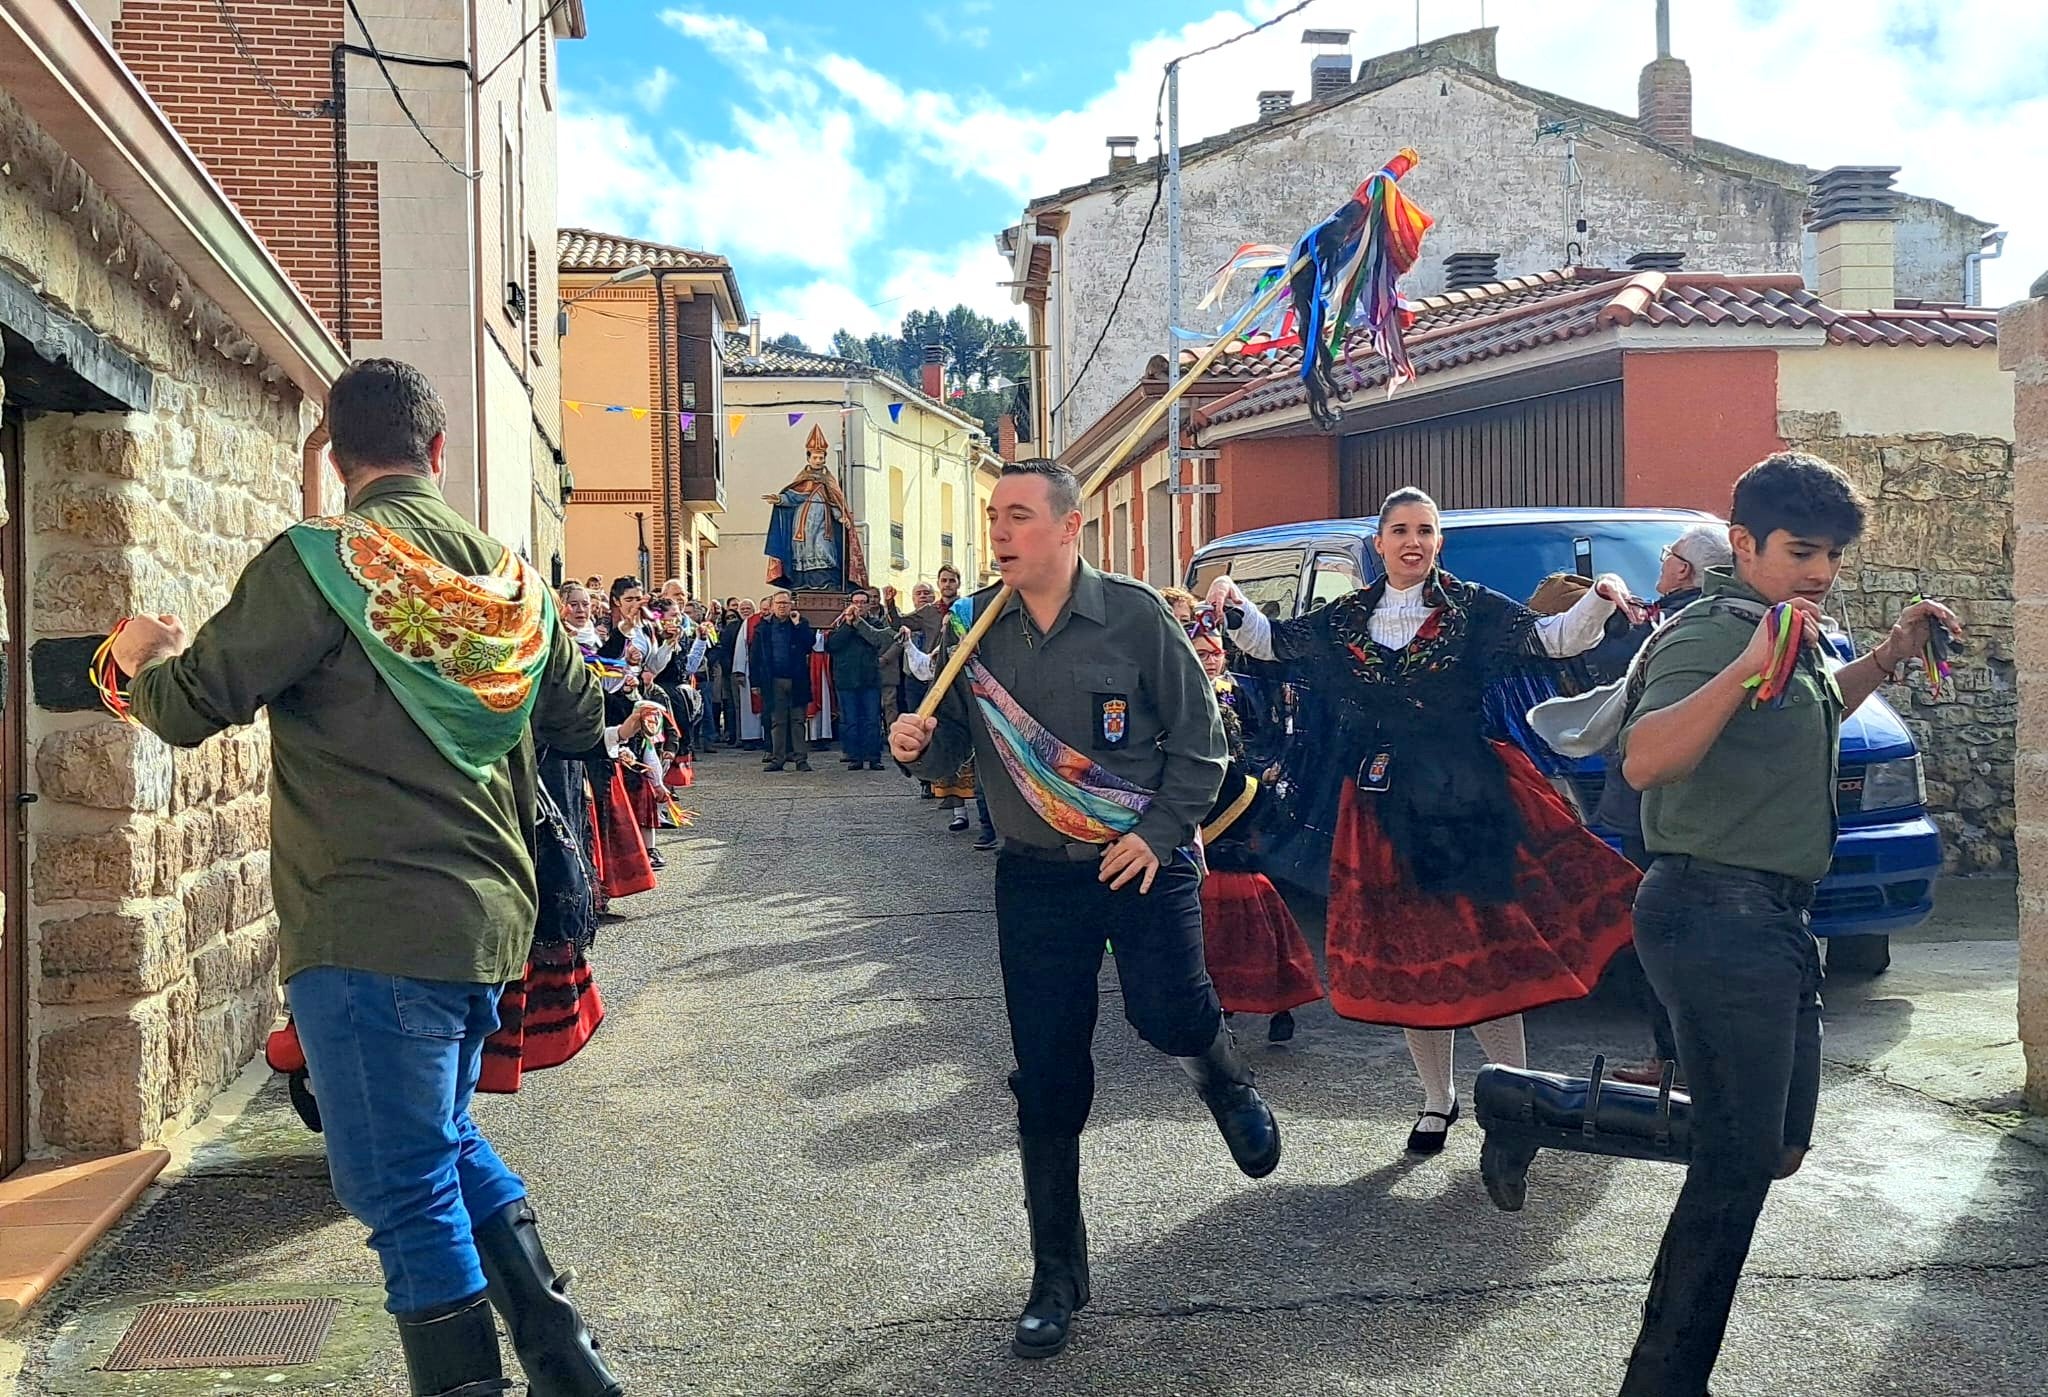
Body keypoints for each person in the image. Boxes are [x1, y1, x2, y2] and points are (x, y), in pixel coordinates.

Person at [114, 360, 622, 1397]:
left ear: (338, 461)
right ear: (437, 453)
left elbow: (187, 704)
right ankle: (569, 1366)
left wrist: (140, 654)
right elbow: (578, 721)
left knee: (398, 1183)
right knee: (437, 1144)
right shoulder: (512, 580)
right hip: (488, 919)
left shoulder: (318, 562)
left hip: (366, 921)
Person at [1580, 454, 1955, 1397]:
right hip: (1712, 914)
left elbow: (1812, 713)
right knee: (1735, 1161)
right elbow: (1646, 760)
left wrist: (1886, 655)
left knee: (1776, 1146)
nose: (1820, 570)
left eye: (1831, 553)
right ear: (1742, 543)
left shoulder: (1794, 632)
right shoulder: (1712, 634)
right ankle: (1662, 1382)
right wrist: (1748, 668)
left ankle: (1527, 1106)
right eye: (1800, 550)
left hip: (1776, 922)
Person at [891, 458, 1280, 1362]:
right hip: (1035, 877)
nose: (1000, 530)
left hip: (1140, 858)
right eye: (994, 515)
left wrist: (1158, 832)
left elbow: (1203, 746)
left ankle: (1224, 1078)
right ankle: (1056, 1274)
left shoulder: (1138, 617)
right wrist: (915, 741)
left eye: (1019, 515)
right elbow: (950, 738)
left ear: (1069, 529)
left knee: (1169, 1011)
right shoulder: (971, 631)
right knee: (1050, 1074)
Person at [1206, 486, 1645, 1156]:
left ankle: (1516, 1097)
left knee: (1494, 958)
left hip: (1466, 799)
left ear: (1440, 542)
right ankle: (1438, 1100)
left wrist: (1600, 595)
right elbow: (1272, 645)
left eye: (1426, 530)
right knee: (1413, 959)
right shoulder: (1346, 617)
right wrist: (1234, 600)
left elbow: (1551, 640)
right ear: (1380, 542)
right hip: (1381, 807)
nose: (1414, 541)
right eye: (1401, 529)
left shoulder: (1474, 609)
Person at [1594, 522, 1732, 1087]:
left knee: (1661, 940)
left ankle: (1673, 1062)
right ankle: (1691, 1059)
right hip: (1699, 811)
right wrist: (1608, 588)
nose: (1663, 563)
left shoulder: (1672, 626)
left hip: (1654, 810)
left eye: (1668, 555)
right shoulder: (1724, 619)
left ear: (1682, 570)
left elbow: (1606, 668)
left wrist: (1603, 604)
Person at [1187, 610, 1323, 1044]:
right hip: (1195, 805)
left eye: (1217, 652)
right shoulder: (1178, 696)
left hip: (1241, 804)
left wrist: (1265, 776)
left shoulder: (1236, 693)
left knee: (1253, 905)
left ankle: (1278, 999)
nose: (1212, 659)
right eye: (1202, 652)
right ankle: (1212, 1000)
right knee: (1203, 914)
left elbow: (1261, 738)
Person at [825, 588, 894, 770]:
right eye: (856, 602)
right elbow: (832, 645)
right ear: (851, 604)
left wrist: (860, 625)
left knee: (872, 720)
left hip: (869, 679)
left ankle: (873, 757)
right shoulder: (841, 624)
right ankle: (854, 756)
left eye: (863, 602)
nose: (860, 606)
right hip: (846, 680)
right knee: (850, 720)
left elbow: (878, 641)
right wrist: (849, 625)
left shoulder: (876, 624)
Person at [752, 590, 816, 772]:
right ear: (772, 606)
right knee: (777, 722)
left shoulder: (800, 624)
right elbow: (754, 656)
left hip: (797, 681)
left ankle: (800, 759)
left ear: (791, 606)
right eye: (779, 603)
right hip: (773, 681)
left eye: (785, 603)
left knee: (798, 721)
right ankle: (777, 758)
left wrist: (797, 626)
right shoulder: (763, 628)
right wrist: (755, 682)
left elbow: (809, 645)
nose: (782, 606)